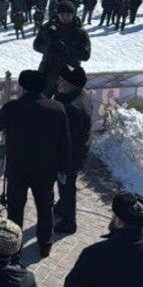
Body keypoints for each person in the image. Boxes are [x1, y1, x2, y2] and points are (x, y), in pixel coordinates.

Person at [0, 70, 71, 257]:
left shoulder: (13, 108)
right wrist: (63, 168)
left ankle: (13, 249)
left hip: (18, 169)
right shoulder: (57, 108)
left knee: (15, 209)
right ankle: (45, 244)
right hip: (45, 169)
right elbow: (64, 142)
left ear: (22, 87)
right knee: (45, 208)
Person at [53, 65, 91, 234]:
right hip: (77, 153)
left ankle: (69, 222)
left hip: (68, 157)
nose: (59, 83)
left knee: (66, 187)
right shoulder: (82, 95)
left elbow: (64, 137)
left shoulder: (70, 108)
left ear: (69, 83)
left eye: (62, 80)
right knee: (67, 184)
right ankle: (62, 206)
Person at [32, 1, 91, 97]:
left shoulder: (80, 32)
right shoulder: (49, 27)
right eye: (62, 14)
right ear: (58, 14)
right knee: (42, 101)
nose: (65, 17)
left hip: (69, 72)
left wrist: (65, 48)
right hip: (48, 69)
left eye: (68, 15)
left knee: (68, 104)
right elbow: (36, 44)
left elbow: (85, 55)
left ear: (73, 15)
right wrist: (49, 49)